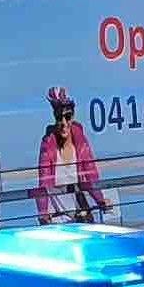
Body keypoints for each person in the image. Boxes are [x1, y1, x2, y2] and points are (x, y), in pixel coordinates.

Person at [36, 85, 108, 224]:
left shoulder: (81, 141)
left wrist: (100, 200)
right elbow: (43, 183)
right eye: (59, 118)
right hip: (57, 217)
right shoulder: (48, 145)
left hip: (81, 213)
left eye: (67, 117)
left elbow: (90, 175)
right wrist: (43, 213)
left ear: (73, 117)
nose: (63, 123)